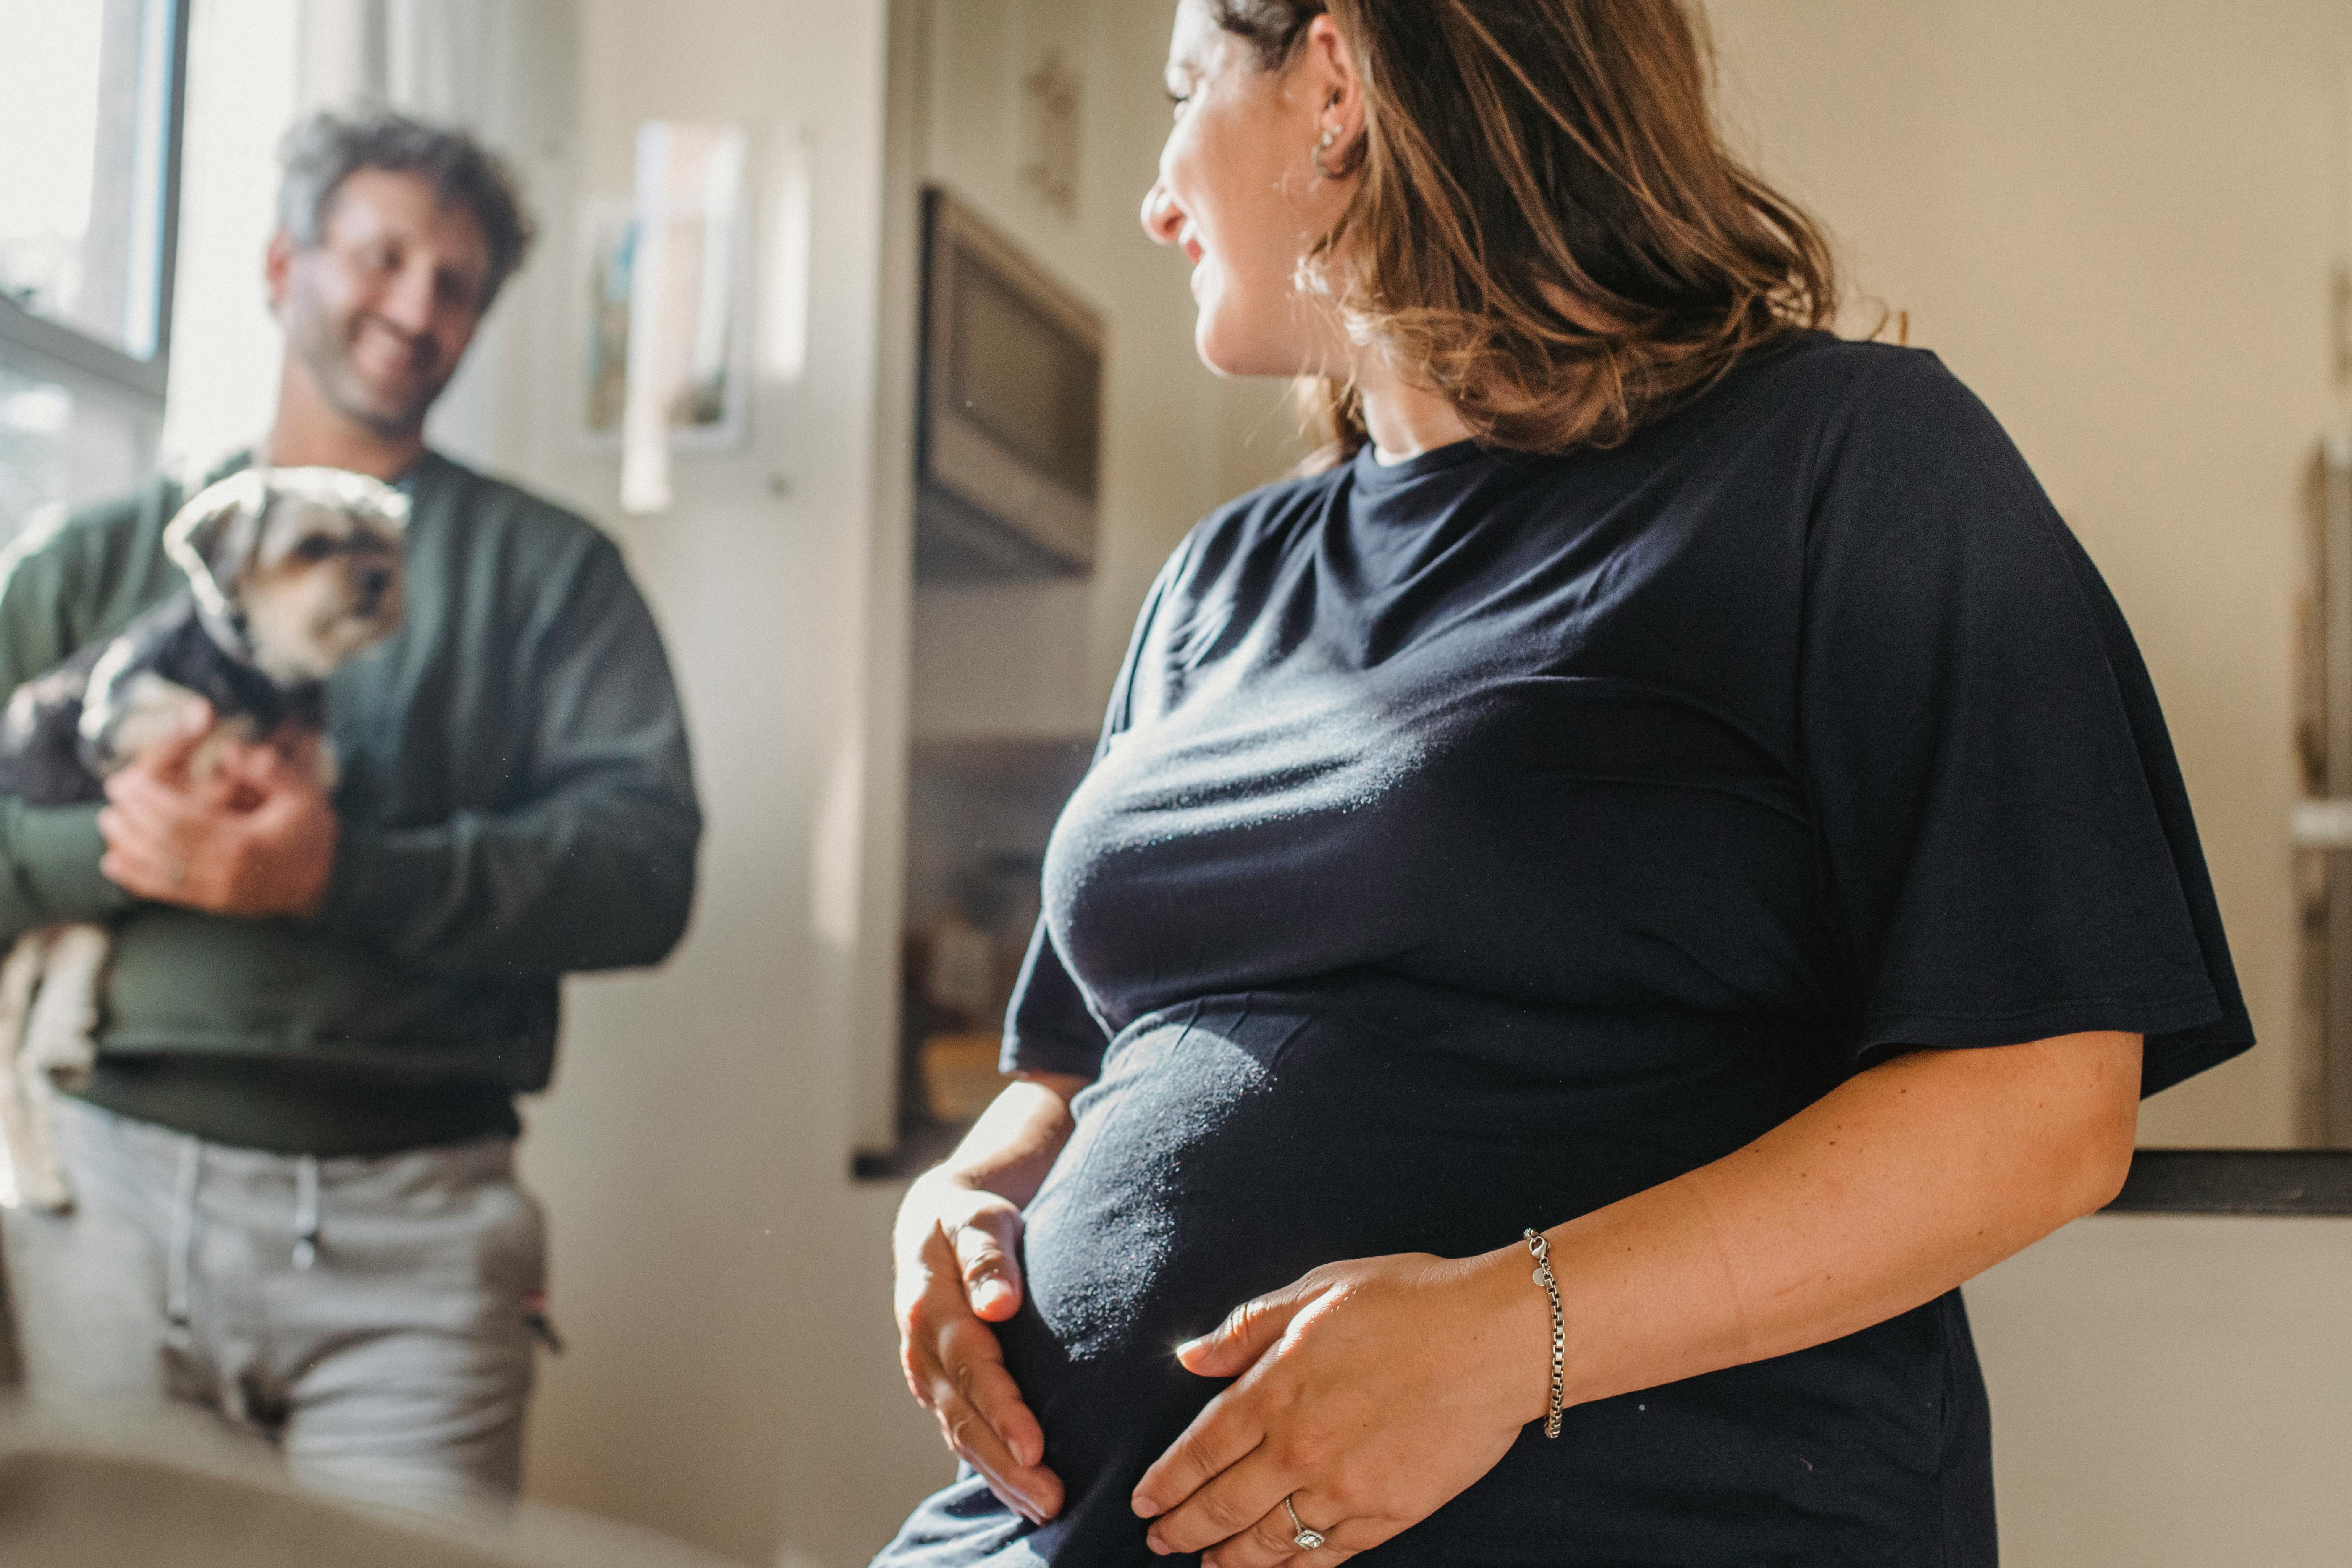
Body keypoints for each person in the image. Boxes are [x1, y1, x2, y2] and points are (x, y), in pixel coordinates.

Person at [877, 3, 2252, 1565]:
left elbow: (2043, 1106)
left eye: (1188, 89)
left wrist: (1494, 1340)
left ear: (1333, 79)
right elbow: (1070, 1072)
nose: (1152, 195)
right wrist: (964, 1201)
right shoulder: (1216, 580)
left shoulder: (1852, 464)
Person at [0, 109, 700, 1509]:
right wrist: (135, 849)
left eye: (455, 284)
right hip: (101, 1204)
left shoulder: (550, 575)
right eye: (381, 257)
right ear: (281, 265)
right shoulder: (95, 560)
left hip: (423, 1238)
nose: (415, 307)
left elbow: (642, 873)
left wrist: (335, 872)